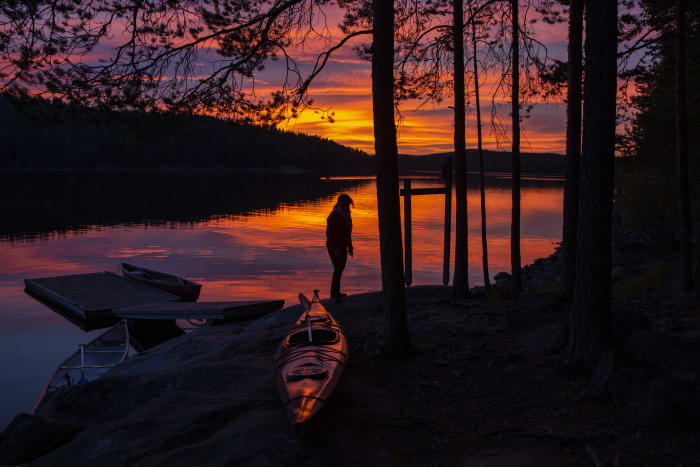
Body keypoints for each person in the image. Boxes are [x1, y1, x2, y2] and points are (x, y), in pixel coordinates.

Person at [326, 193, 354, 300]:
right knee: (338, 268)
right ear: (339, 203)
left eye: (347, 204)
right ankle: (334, 293)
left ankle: (336, 292)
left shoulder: (347, 215)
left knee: (340, 268)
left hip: (343, 245)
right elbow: (329, 235)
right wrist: (335, 249)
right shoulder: (333, 216)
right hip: (333, 246)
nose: (345, 206)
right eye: (343, 204)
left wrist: (350, 247)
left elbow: (348, 233)